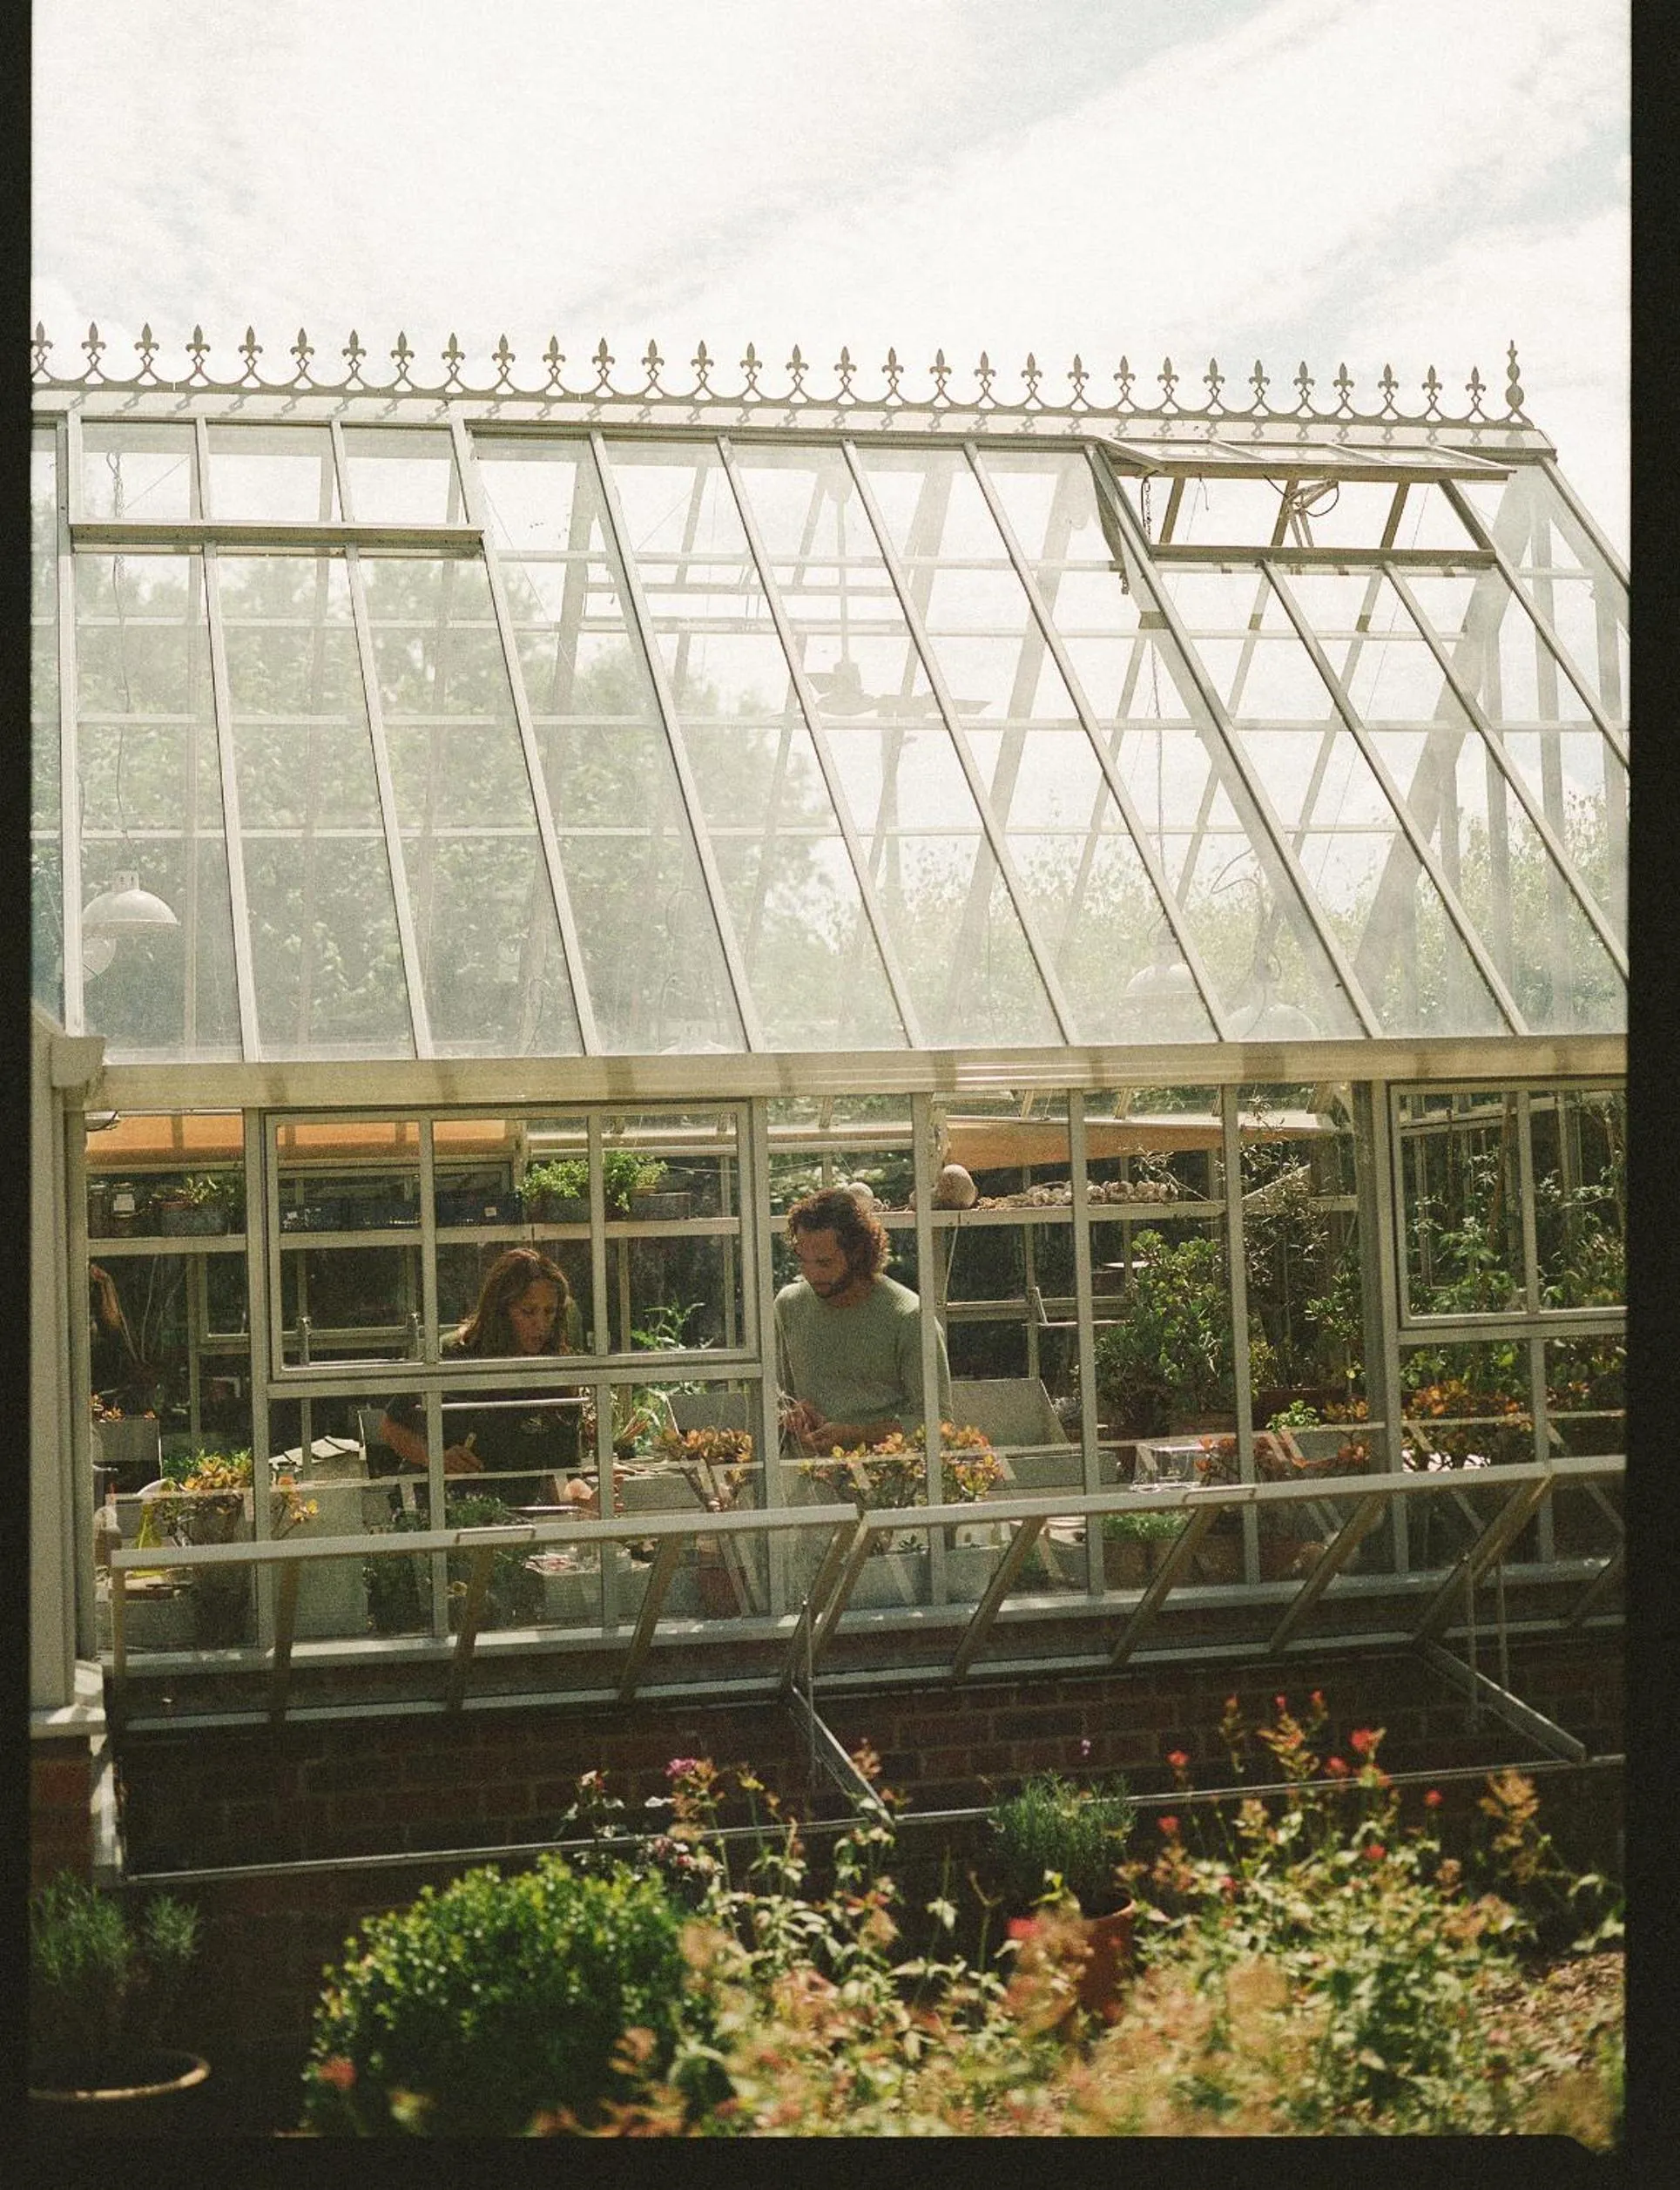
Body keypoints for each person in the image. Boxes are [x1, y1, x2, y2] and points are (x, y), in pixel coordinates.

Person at [377, 1247, 594, 1511]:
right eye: (528, 1312)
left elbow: (564, 1477)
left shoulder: (556, 1374)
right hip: (438, 1512)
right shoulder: (453, 1355)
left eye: (549, 1312)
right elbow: (391, 1426)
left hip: (515, 1518)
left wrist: (588, 1499)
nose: (541, 1325)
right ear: (501, 1311)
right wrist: (435, 1457)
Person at [774, 1186, 952, 1454]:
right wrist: (791, 1415)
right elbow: (774, 1399)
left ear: (857, 1252)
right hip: (805, 1479)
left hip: (889, 1482)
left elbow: (938, 1425)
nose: (810, 1274)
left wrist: (857, 1435)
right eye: (803, 1261)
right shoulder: (789, 1306)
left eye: (824, 1263)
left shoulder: (910, 1318)